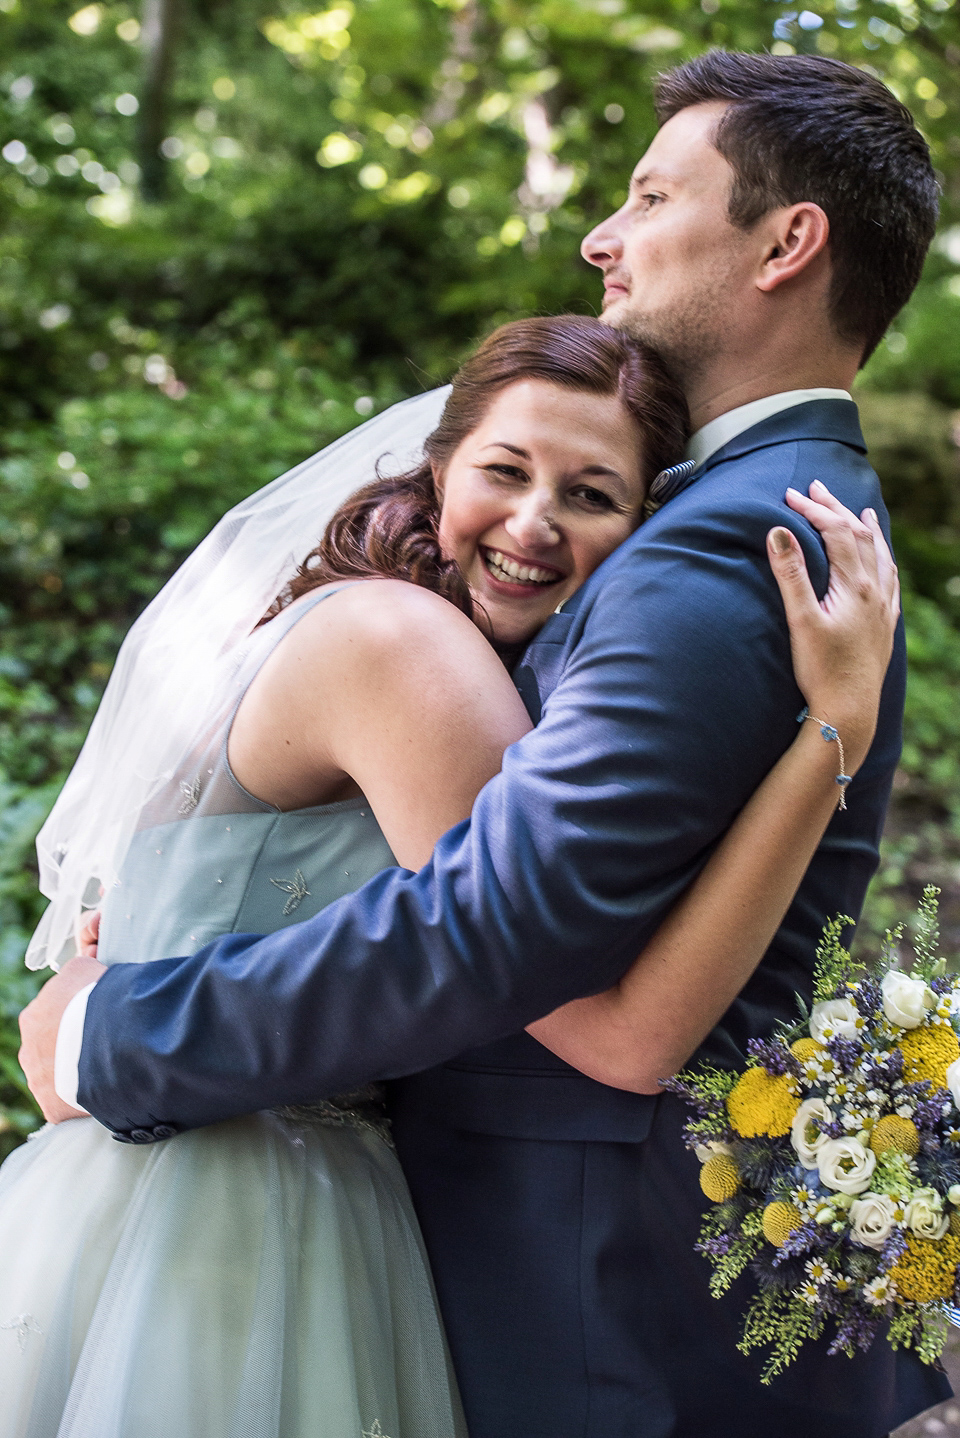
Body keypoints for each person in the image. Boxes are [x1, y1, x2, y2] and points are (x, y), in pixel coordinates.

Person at [18, 51, 945, 1438]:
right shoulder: (763, 516)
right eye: (505, 472)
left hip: (578, 1270)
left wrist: (117, 1035)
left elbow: (505, 922)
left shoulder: (721, 542)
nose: (602, 234)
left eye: (649, 193)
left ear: (787, 241)